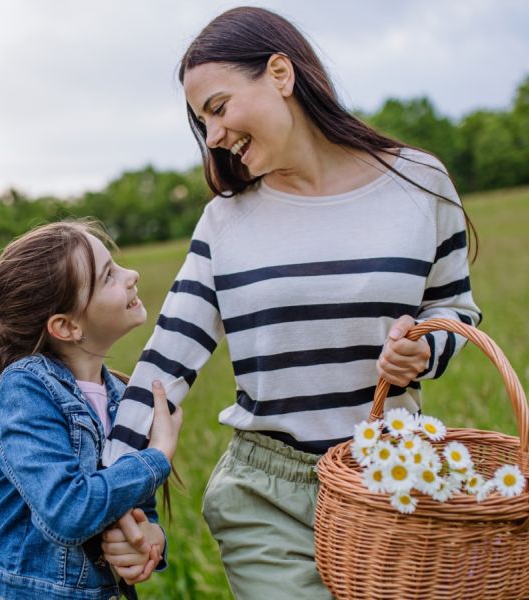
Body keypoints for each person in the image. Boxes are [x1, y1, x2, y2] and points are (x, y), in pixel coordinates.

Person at [102, 7, 481, 599]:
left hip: (395, 481)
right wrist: (119, 499)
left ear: (280, 73)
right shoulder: (224, 222)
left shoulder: (420, 183)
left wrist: (426, 351)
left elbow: (454, 307)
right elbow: (162, 368)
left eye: (219, 108)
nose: (214, 136)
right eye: (202, 122)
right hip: (267, 496)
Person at [0, 221, 183, 600]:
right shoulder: (25, 389)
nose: (132, 275)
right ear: (67, 326)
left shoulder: (122, 394)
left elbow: (135, 502)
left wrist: (150, 539)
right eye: (108, 276)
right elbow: (68, 509)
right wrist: (158, 453)